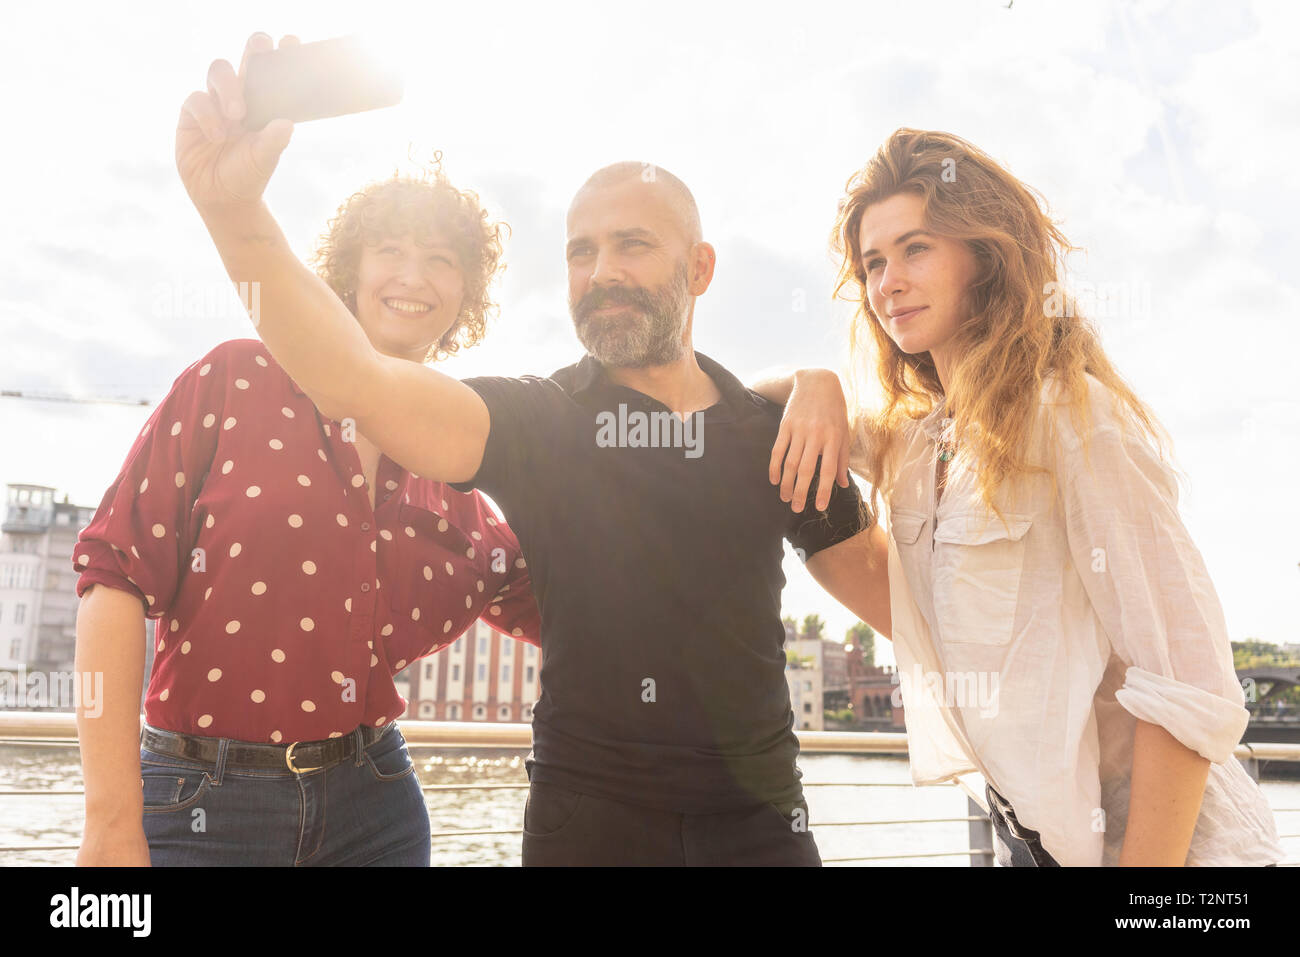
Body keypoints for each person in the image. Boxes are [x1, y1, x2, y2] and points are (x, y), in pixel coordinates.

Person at [173, 32, 892, 866]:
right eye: (580, 251)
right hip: (588, 829)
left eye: (632, 245)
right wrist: (233, 213)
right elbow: (354, 379)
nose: (601, 271)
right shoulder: (539, 421)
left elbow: (904, 606)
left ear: (699, 268)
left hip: (764, 831)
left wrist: (822, 383)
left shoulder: (778, 435)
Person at [813, 126, 1283, 866]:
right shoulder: (922, 443)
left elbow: (1187, 681)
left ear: (985, 255)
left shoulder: (1071, 416)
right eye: (872, 262)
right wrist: (818, 386)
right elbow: (764, 407)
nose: (887, 282)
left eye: (916, 248)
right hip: (1037, 844)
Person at [72, 138, 541, 865]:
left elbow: (587, 600)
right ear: (348, 269)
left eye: (443, 259)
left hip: (376, 811)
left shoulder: (459, 484)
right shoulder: (232, 378)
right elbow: (111, 578)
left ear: (465, 296)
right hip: (198, 805)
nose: (413, 276)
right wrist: (107, 820)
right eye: (390, 249)